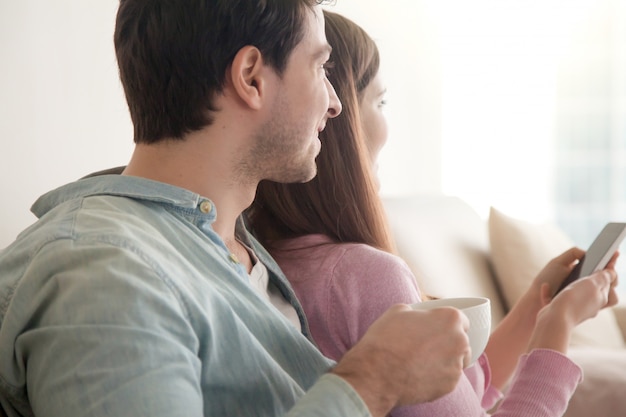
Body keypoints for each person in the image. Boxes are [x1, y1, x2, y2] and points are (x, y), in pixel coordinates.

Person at [0, 1, 474, 417]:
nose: (334, 104)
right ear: (251, 77)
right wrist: (374, 379)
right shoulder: (108, 274)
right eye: (319, 68)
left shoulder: (231, 243)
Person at [246, 10, 620, 417]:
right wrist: (559, 326)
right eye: (380, 100)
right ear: (335, 120)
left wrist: (536, 310)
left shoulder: (266, 262)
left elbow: (462, 397)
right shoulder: (363, 277)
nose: (386, 126)